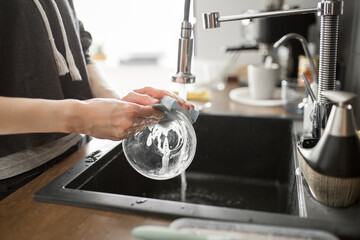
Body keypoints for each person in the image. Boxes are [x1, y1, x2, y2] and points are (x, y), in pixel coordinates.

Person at [0, 0, 193, 200]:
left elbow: (78, 52)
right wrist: (80, 116)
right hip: (13, 178)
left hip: (76, 155)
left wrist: (120, 103)